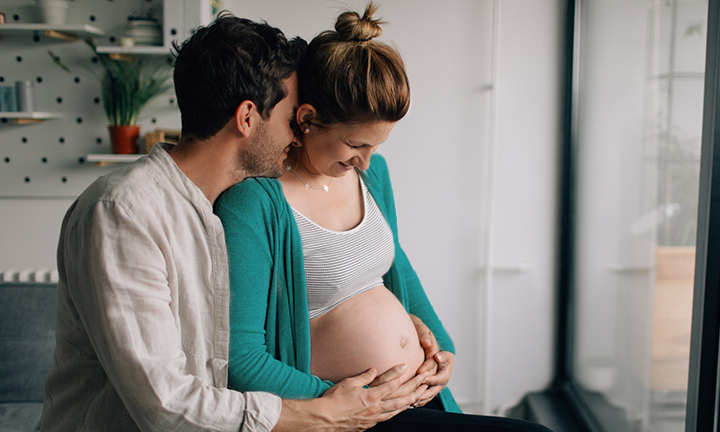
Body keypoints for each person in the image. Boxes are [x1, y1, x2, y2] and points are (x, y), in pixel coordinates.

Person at [40, 14, 424, 432]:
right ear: (246, 118)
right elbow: (165, 405)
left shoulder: (214, 209)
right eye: (291, 117)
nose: (298, 135)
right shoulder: (124, 212)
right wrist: (327, 411)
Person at [215, 3, 553, 432]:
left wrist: (440, 350)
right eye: (356, 144)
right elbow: (242, 359)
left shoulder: (373, 176)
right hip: (351, 419)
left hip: (416, 397)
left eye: (377, 146)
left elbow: (395, 263)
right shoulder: (254, 204)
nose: (367, 162)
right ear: (307, 120)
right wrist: (340, 404)